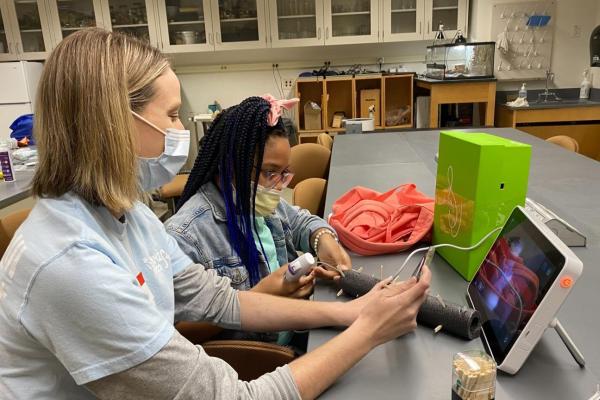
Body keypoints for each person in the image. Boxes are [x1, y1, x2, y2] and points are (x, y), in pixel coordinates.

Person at [0, 29, 430, 400]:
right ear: (110, 121)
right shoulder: (70, 265)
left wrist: (354, 313)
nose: (181, 131)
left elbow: (221, 299)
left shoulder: (131, 214)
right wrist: (370, 331)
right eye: (170, 116)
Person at [166, 95, 350, 305]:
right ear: (231, 165)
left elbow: (300, 221)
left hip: (291, 321)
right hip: (257, 338)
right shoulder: (186, 236)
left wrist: (323, 239)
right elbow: (178, 327)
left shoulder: (258, 202)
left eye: (284, 173)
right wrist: (260, 297)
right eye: (270, 172)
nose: (279, 185)